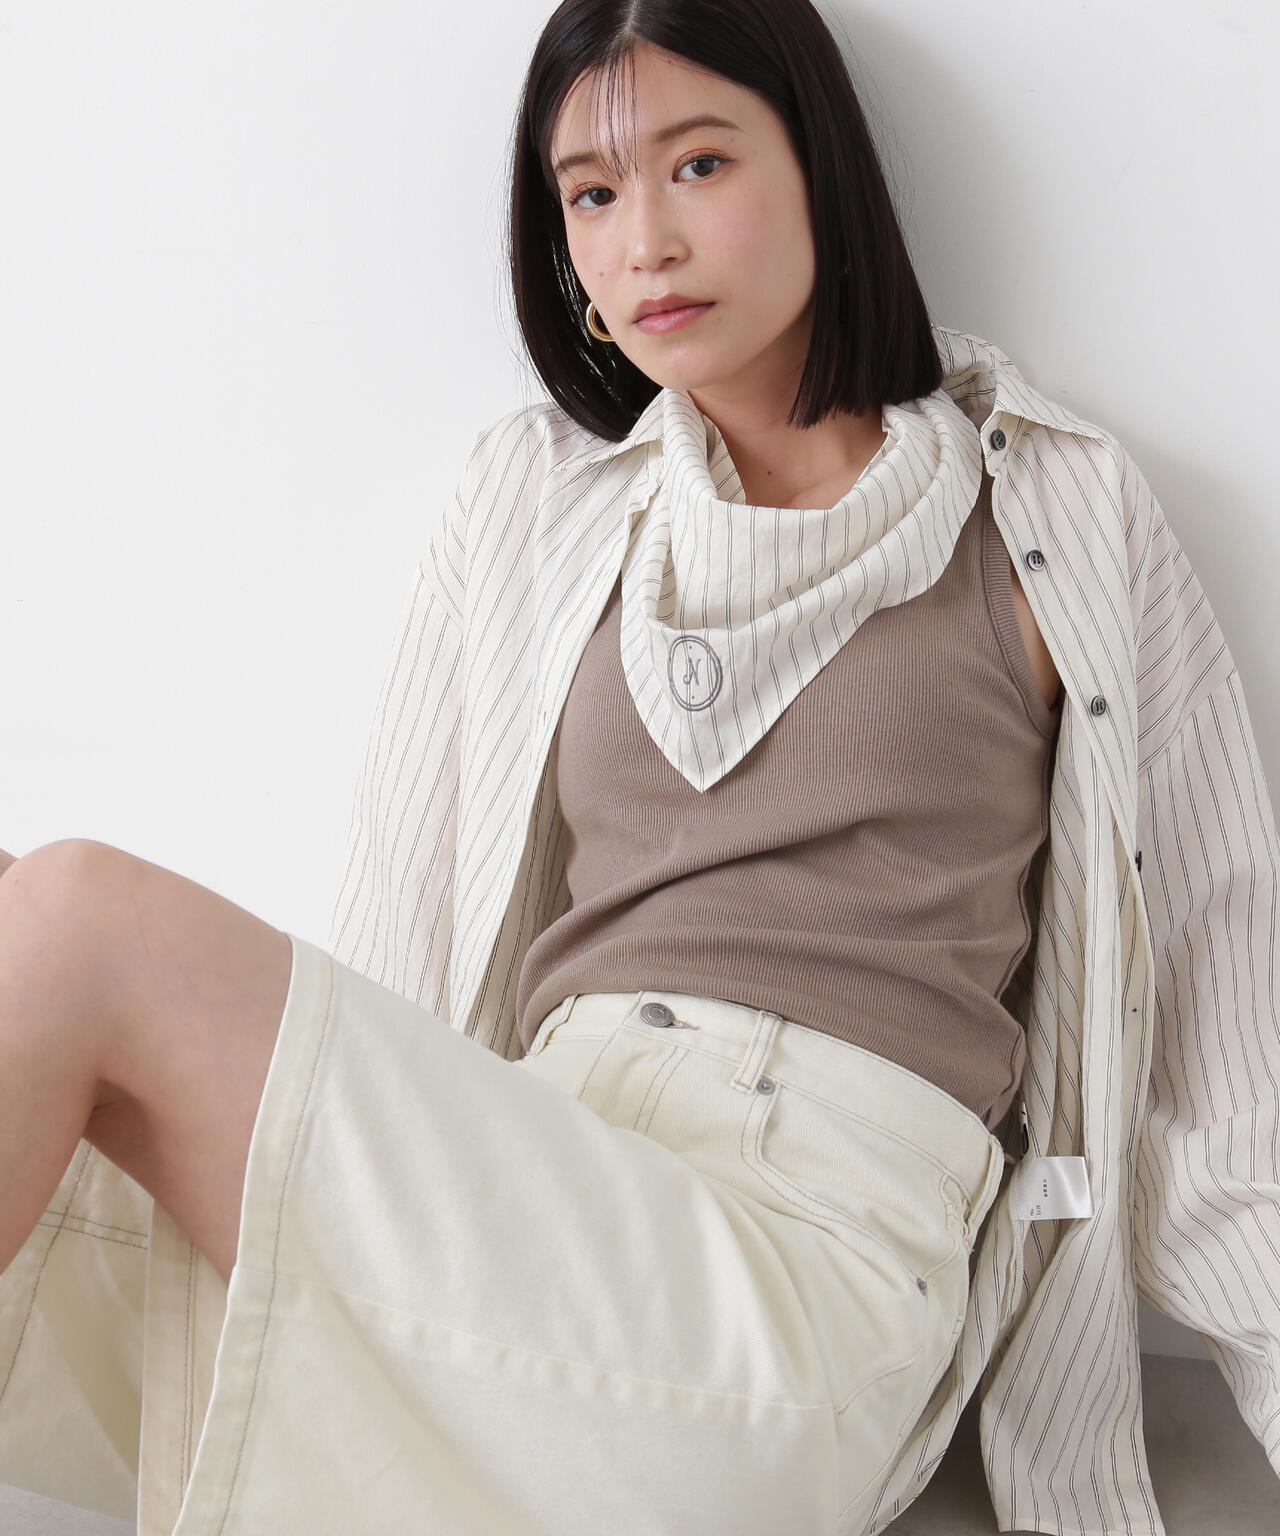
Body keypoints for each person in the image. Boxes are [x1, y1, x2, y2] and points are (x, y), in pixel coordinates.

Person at [2, 2, 1277, 1534]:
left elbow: (1217, 1014)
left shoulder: (1056, 509)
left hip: (796, 1275)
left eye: (700, 164)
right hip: (528, 1204)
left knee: (75, 918)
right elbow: (406, 934)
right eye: (592, 194)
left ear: (821, 171)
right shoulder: (532, 499)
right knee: (17, 917)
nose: (645, 241)